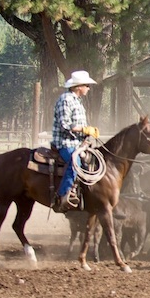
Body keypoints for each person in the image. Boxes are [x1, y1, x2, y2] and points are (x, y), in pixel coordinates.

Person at [52, 70, 99, 212]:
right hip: (65, 143)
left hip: (77, 144)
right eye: (87, 85)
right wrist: (84, 130)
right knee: (75, 164)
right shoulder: (65, 100)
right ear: (79, 86)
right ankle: (62, 196)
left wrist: (87, 134)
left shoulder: (77, 101)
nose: (88, 88)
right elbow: (64, 124)